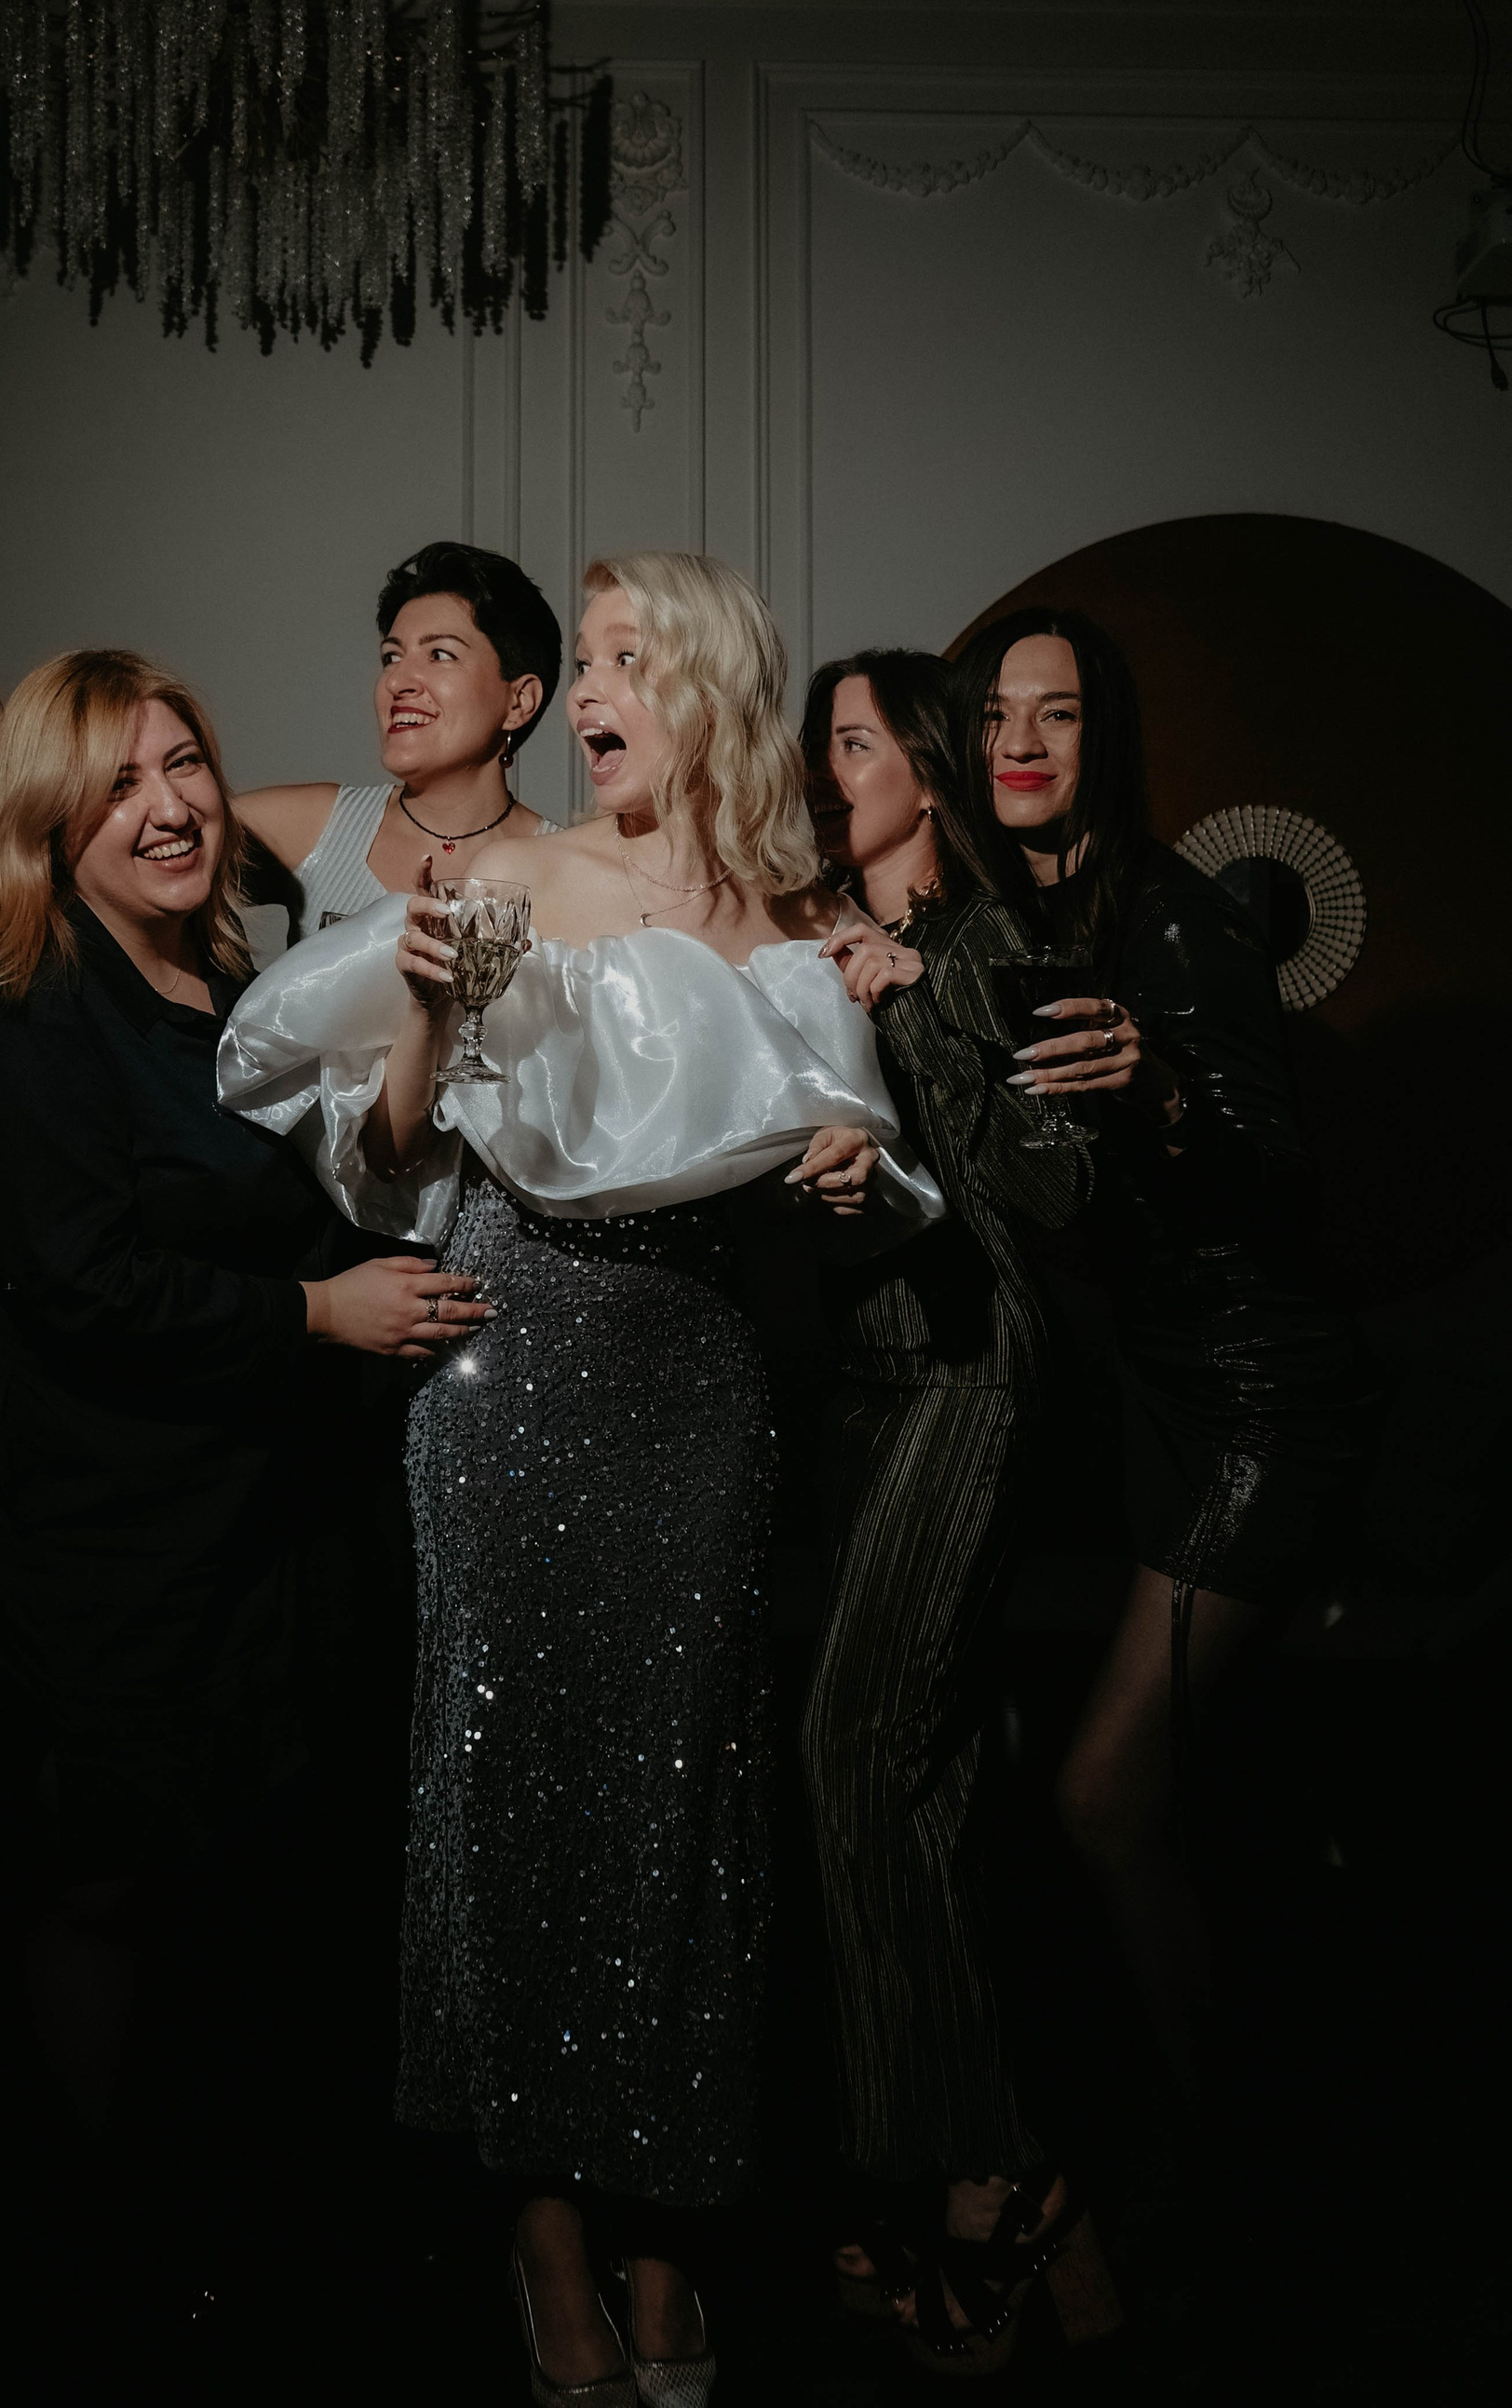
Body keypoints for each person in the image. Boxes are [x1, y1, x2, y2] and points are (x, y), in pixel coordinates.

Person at [219, 555, 940, 2407]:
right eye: (590, 659)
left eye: (631, 657)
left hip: (697, 1386)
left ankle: (666, 2242)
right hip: (509, 1360)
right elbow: (384, 1147)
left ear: (705, 691)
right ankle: (543, 2247)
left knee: (681, 1811)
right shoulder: (516, 878)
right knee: (504, 1802)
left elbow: (848, 1148)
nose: (599, 687)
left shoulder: (794, 913)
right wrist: (430, 1013)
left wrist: (848, 1162)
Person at [0, 646, 492, 2162]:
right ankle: (107, 2212)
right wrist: (320, 1313)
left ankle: (234, 2188)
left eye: (182, 767)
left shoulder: (229, 985)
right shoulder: (9, 1020)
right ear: (46, 820)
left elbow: (312, 1186)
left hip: (252, 1520)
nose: (166, 807)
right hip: (102, 1541)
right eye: (115, 785)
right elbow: (86, 1287)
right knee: (106, 1881)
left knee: (248, 1880)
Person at [947, 607, 1369, 2106]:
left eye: (1057, 714)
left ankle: (1221, 2147)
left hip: (1260, 1401)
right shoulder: (1021, 920)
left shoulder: (1177, 921)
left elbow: (1289, 1189)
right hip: (1154, 1391)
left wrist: (1165, 1087)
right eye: (998, 713)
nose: (1020, 742)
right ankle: (1233, 2104)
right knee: (1190, 1793)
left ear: (1105, 737)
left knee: (1104, 1798)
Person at [797, 652, 1124, 2374]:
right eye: (818, 744)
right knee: (900, 1783)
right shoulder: (799, 936)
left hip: (969, 1379)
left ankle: (992, 2172)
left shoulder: (993, 944)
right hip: (847, 1391)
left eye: (851, 742)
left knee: (857, 1750)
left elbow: (1058, 1187)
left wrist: (918, 998)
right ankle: (958, 2174)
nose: (822, 768)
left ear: (923, 772)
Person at [0, 513, 562, 930]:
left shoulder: (573, 866)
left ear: (520, 701)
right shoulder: (319, 828)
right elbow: (40, 815)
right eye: (390, 656)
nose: (400, 680)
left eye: (440, 654)